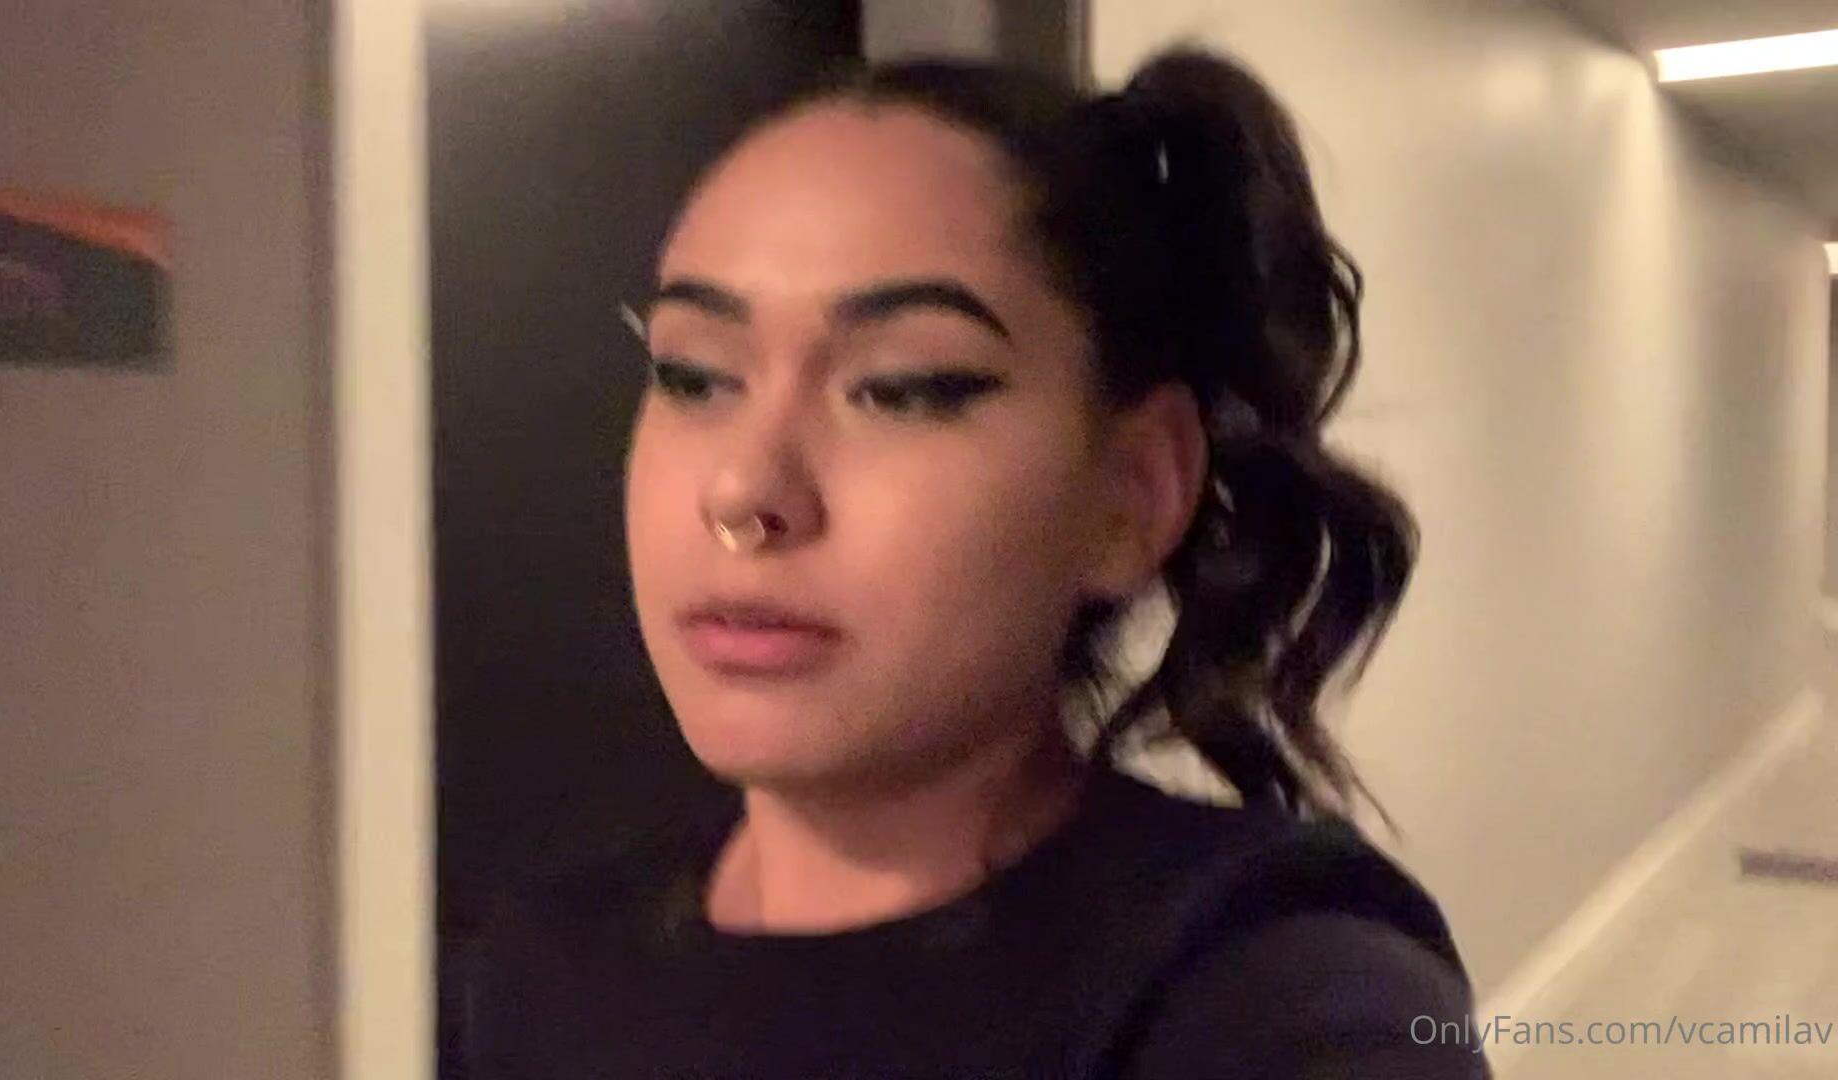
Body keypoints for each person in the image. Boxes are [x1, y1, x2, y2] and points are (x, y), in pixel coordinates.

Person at [456, 44, 1490, 1079]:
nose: (744, 492)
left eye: (902, 388)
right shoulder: (548, 958)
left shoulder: (1270, 988)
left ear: (1132, 493)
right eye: (693, 375)